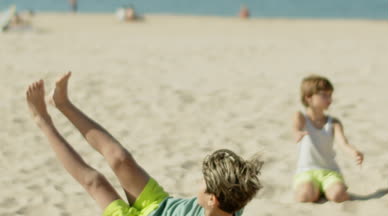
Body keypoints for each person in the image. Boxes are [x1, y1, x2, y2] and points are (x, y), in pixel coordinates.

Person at [26, 72, 263, 216]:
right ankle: (63, 103)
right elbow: (242, 184)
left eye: (203, 182)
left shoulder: (225, 200)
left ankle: (43, 120)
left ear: (213, 199)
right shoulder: (234, 201)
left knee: (95, 182)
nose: (198, 182)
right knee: (121, 159)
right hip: (161, 204)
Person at [293, 75, 364, 203]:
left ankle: (329, 189)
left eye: (330, 95)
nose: (329, 99)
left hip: (329, 172)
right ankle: (316, 190)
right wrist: (297, 132)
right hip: (307, 171)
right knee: (304, 196)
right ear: (308, 97)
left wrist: (354, 152)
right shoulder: (301, 117)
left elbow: (343, 143)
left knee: (338, 196)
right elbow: (296, 126)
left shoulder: (333, 122)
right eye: (324, 95)